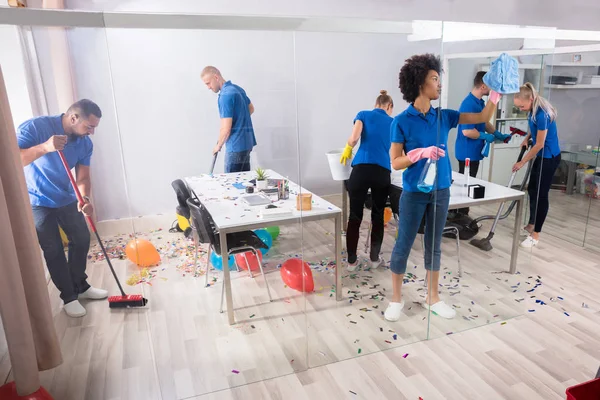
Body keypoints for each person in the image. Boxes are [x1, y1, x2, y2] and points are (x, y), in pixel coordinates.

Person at [385, 54, 500, 321]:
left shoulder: (445, 116)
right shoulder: (401, 121)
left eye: (439, 79)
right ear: (419, 83)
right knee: (403, 243)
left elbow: (483, 116)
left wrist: (495, 93)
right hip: (414, 193)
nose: (439, 84)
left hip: (441, 191)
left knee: (434, 244)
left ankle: (432, 297)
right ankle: (395, 298)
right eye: (435, 79)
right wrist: (419, 153)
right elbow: (395, 161)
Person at [17, 99, 107, 318]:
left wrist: (84, 197)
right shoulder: (35, 127)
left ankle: (80, 286)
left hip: (67, 197)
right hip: (37, 201)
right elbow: (15, 158)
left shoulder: (85, 143)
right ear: (73, 118)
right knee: (53, 249)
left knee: (82, 238)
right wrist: (45, 147)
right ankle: (68, 297)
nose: (92, 132)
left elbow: (83, 175)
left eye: (94, 127)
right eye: (89, 126)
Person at [340, 90, 394, 272]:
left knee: (354, 216)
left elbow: (354, 138)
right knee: (378, 216)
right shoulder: (393, 122)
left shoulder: (363, 114)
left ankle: (352, 262)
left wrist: (348, 148)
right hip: (382, 171)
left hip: (361, 169)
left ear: (376, 104)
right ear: (389, 106)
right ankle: (373, 258)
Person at [512, 83, 561, 248]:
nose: (521, 108)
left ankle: (536, 234)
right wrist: (527, 137)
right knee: (532, 189)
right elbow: (536, 130)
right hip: (541, 156)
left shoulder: (543, 114)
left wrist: (522, 161)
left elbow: (540, 144)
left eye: (522, 106)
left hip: (549, 157)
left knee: (541, 194)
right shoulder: (533, 110)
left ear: (531, 99)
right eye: (518, 106)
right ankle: (532, 222)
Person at [455, 71, 511, 215]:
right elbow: (466, 131)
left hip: (474, 151)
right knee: (466, 185)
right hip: (467, 152)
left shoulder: (479, 102)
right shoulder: (468, 104)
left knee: (470, 183)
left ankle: (462, 214)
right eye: (491, 85)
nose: (492, 89)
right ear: (483, 85)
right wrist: (484, 136)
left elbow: (483, 121)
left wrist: (497, 134)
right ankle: (461, 215)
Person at [201, 66, 256, 173]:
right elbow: (251, 108)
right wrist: (239, 121)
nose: (208, 87)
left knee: (230, 185)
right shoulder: (238, 89)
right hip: (247, 145)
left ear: (216, 77)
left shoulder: (225, 95)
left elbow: (225, 129)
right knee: (243, 183)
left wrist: (218, 145)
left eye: (208, 83)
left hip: (235, 147)